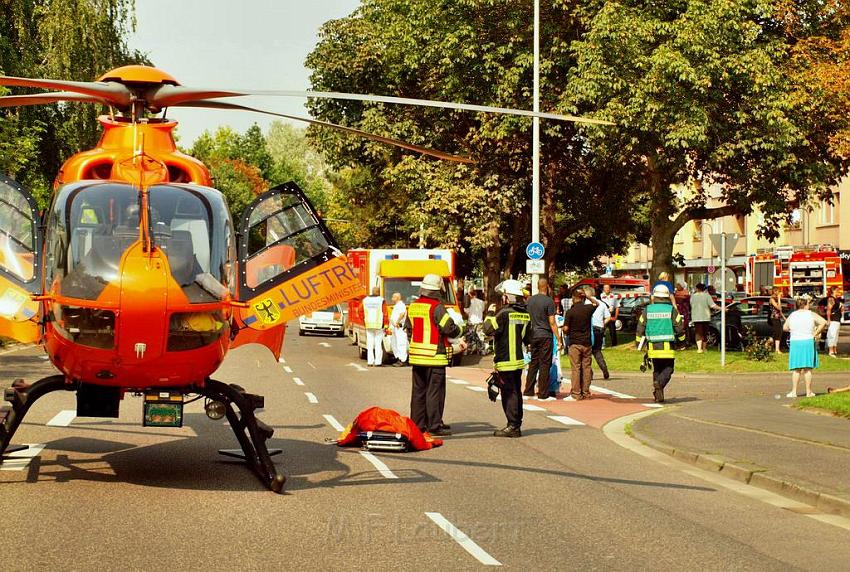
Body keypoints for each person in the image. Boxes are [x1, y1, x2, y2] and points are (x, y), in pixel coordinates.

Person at [405, 273, 462, 437]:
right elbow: (449, 328)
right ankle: (434, 425)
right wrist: (460, 330)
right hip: (434, 356)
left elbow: (409, 329)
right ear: (437, 290)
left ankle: (418, 424)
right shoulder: (437, 307)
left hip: (417, 356)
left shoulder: (413, 306)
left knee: (418, 392)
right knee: (434, 392)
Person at [483, 280, 531, 438]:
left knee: (509, 394)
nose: (502, 298)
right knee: (516, 392)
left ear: (507, 297)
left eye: (503, 296)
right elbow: (527, 338)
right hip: (518, 360)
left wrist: (490, 313)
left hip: (505, 360)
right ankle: (516, 423)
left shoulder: (503, 313)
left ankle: (512, 426)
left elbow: (488, 329)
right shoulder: (525, 314)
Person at [635, 285, 687, 403]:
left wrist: (638, 343)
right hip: (668, 346)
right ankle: (659, 384)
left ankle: (658, 395)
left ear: (655, 296)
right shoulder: (672, 310)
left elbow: (640, 327)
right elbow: (679, 328)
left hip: (652, 347)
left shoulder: (647, 310)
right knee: (669, 369)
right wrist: (682, 343)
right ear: (667, 297)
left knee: (657, 369)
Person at [523, 277, 561, 400]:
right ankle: (543, 393)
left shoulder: (530, 301)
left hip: (533, 334)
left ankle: (528, 390)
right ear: (547, 287)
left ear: (538, 286)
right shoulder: (548, 302)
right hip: (545, 335)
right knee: (545, 364)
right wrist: (559, 339)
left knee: (533, 362)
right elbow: (552, 322)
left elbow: (527, 319)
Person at [784, 297, 827, 398]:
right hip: (808, 340)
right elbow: (823, 322)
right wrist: (816, 333)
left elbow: (785, 327)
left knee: (796, 369)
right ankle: (809, 392)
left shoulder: (792, 315)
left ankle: (794, 392)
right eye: (808, 304)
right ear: (805, 305)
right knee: (808, 368)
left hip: (795, 342)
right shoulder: (810, 314)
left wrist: (793, 329)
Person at [562, 289, 596, 400]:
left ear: (573, 298)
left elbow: (566, 328)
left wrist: (564, 330)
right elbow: (597, 303)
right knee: (586, 367)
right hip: (586, 343)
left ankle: (576, 393)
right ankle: (585, 391)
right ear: (583, 298)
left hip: (575, 343)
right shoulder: (588, 309)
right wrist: (588, 297)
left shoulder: (571, 312)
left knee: (576, 368)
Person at [588, 285, 611, 380]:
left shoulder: (585, 303)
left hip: (589, 329)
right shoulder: (602, 304)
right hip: (599, 328)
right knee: (597, 351)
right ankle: (604, 368)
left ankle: (589, 373)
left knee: (587, 352)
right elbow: (608, 317)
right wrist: (602, 323)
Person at [362, 287, 388, 367]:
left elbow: (360, 311)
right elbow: (385, 313)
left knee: (369, 344)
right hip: (379, 325)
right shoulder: (381, 300)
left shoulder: (365, 300)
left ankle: (370, 362)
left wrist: (364, 320)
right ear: (379, 292)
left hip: (368, 324)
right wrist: (386, 324)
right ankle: (378, 362)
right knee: (378, 344)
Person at [690, 283, 719, 353]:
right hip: (705, 317)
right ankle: (704, 348)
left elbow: (691, 304)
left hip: (696, 317)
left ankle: (699, 349)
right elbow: (713, 305)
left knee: (698, 333)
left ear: (697, 288)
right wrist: (721, 308)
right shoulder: (707, 296)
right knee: (705, 333)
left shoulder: (693, 296)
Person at [389, 292, 408, 366]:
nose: (392, 298)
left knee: (401, 343)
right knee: (395, 343)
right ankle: (398, 358)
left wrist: (397, 322)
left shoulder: (401, 305)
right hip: (395, 328)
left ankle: (403, 360)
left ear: (398, 298)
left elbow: (402, 314)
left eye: (393, 297)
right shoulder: (397, 305)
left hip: (399, 327)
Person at [825, 287, 842, 357]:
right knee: (831, 335)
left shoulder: (836, 299)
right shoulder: (831, 299)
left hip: (837, 320)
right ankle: (830, 351)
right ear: (834, 291)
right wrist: (829, 320)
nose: (839, 291)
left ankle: (834, 349)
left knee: (836, 336)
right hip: (833, 320)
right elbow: (829, 309)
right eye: (837, 290)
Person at [769, 289, 786, 354]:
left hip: (777, 318)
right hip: (773, 318)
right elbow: (779, 308)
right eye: (779, 292)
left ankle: (768, 345)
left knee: (778, 333)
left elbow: (779, 311)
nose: (780, 294)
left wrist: (784, 318)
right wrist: (779, 299)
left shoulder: (775, 299)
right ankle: (777, 349)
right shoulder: (772, 299)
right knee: (777, 333)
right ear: (775, 292)